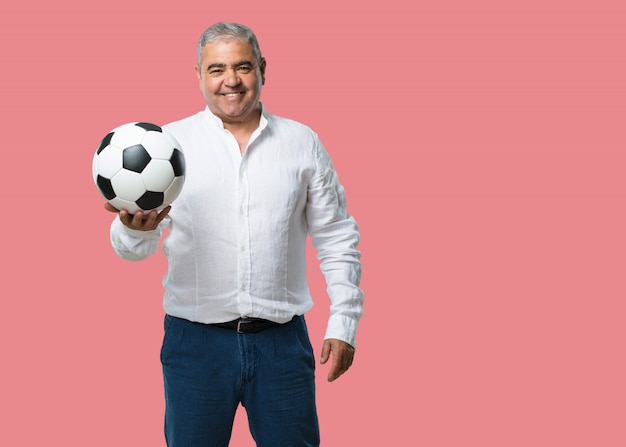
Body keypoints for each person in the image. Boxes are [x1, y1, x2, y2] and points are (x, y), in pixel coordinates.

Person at [104, 22, 363, 447]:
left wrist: (344, 322)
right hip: (195, 346)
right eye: (217, 69)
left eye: (243, 67)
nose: (231, 81)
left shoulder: (302, 143)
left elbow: (336, 236)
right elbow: (131, 252)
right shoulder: (166, 147)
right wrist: (134, 231)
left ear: (262, 68)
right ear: (199, 74)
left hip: (282, 345)